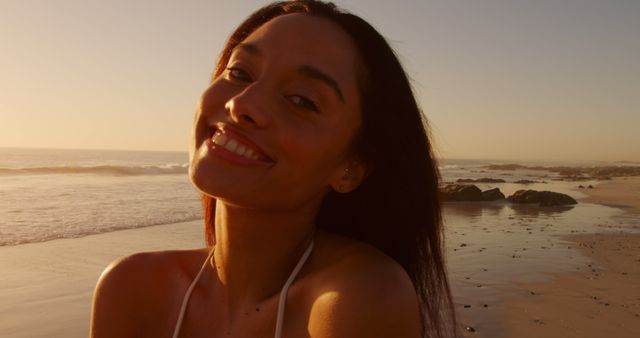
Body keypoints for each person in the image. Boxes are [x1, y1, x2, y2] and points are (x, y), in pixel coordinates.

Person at [90, 1, 456, 337]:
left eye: (301, 100)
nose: (241, 104)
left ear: (351, 167)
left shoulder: (359, 296)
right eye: (240, 73)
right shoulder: (132, 287)